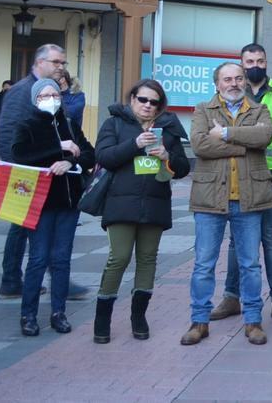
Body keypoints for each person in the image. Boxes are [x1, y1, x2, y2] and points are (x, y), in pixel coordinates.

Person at [209, 44, 272, 326]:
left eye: (260, 60)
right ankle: (231, 297)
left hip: (270, 178)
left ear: (266, 62)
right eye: (249, 61)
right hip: (236, 176)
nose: (255, 65)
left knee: (271, 241)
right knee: (235, 242)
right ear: (241, 64)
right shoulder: (230, 93)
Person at [182, 62, 272, 347]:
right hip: (210, 198)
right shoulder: (203, 109)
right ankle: (199, 321)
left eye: (238, 78)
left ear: (245, 82)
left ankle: (252, 321)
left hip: (249, 198)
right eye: (227, 79)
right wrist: (242, 146)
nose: (233, 83)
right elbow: (199, 145)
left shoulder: (259, 110)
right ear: (217, 84)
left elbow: (265, 136)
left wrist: (224, 134)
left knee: (250, 264)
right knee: (203, 265)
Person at [92, 79, 191, 344]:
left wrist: (167, 156)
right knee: (119, 258)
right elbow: (103, 156)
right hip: (121, 202)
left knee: (148, 259)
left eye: (154, 102)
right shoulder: (114, 123)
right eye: (142, 99)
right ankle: (102, 319)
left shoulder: (168, 127)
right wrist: (134, 144)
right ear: (132, 98)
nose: (147, 105)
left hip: (155, 202)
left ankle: (139, 317)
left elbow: (183, 168)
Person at [0, 46, 87, 300]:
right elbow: (8, 133)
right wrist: (16, 168)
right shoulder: (22, 90)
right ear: (39, 62)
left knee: (25, 225)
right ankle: (15, 280)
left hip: (48, 171)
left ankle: (13, 280)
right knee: (26, 225)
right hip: (26, 171)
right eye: (56, 61)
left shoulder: (50, 90)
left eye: (63, 62)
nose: (61, 66)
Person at [9, 78, 95, 336]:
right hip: (41, 202)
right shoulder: (28, 125)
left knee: (61, 259)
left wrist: (70, 162)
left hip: (68, 203)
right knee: (38, 258)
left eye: (54, 95)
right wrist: (58, 147)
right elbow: (20, 154)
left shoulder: (69, 124)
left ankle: (59, 312)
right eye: (44, 96)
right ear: (36, 100)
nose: (51, 100)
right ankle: (29, 315)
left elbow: (90, 154)